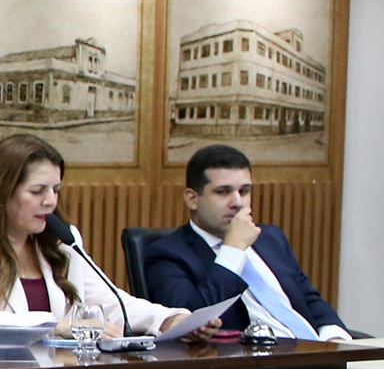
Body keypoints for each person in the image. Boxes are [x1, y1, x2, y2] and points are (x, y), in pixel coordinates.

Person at [0, 133, 203, 340]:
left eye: (56, 190)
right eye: (38, 191)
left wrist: (170, 319)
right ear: (0, 193)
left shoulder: (61, 241)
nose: (51, 201)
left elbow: (110, 303)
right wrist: (56, 326)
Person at [142, 144, 350, 341]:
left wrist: (334, 337)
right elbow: (190, 323)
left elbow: (307, 299)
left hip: (314, 351)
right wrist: (232, 251)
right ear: (192, 199)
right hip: (253, 359)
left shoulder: (270, 238)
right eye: (223, 192)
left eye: (244, 191)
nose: (238, 202)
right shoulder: (166, 254)